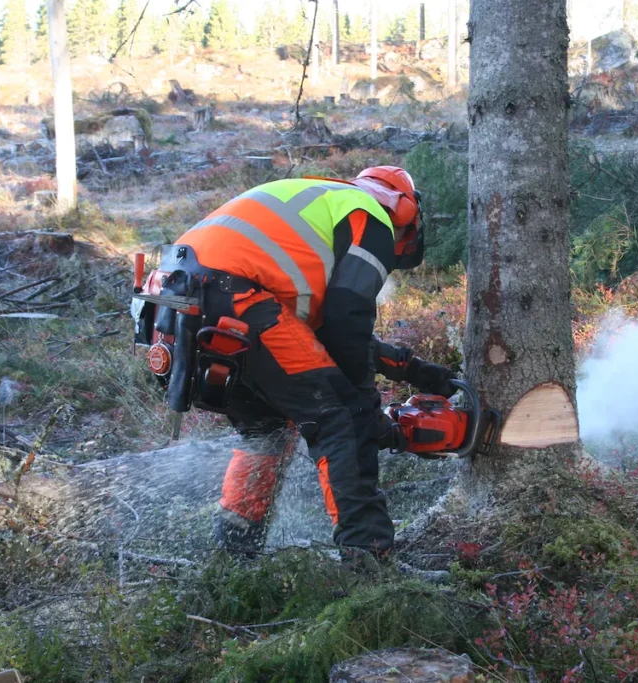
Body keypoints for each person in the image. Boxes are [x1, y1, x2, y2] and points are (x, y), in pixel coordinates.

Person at [173, 167, 455, 556]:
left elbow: (325, 338)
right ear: (405, 213)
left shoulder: (317, 206)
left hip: (177, 308)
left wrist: (422, 373)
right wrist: (366, 409)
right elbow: (347, 320)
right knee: (341, 417)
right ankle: (367, 561)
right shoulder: (370, 215)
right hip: (236, 300)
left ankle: (233, 555)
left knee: (265, 428)